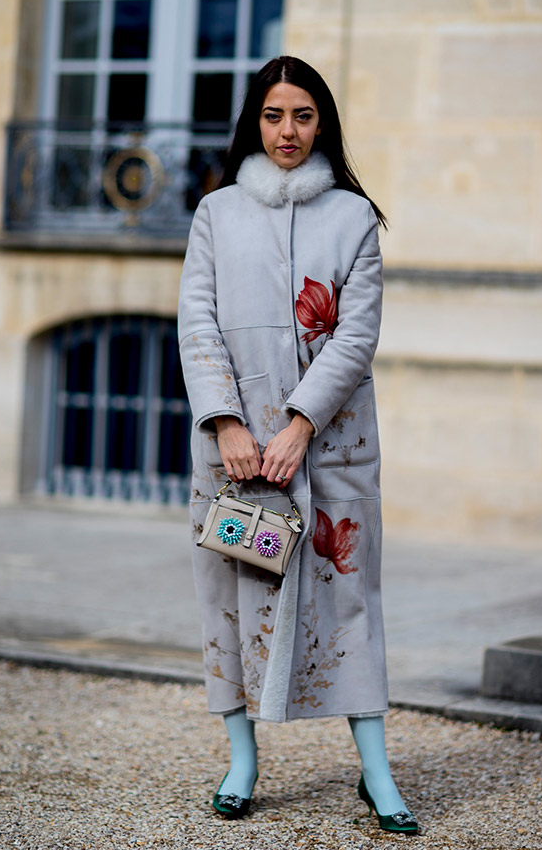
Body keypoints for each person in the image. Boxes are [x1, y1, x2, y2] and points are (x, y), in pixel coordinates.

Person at [177, 56, 418, 835]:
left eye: (304, 116)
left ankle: (376, 772)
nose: (288, 131)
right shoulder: (215, 212)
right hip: (236, 451)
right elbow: (196, 322)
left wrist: (300, 423)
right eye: (275, 115)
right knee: (227, 599)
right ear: (255, 119)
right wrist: (227, 423)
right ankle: (242, 762)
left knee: (349, 603)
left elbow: (356, 335)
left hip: (331, 448)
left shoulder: (352, 217)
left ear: (323, 124)